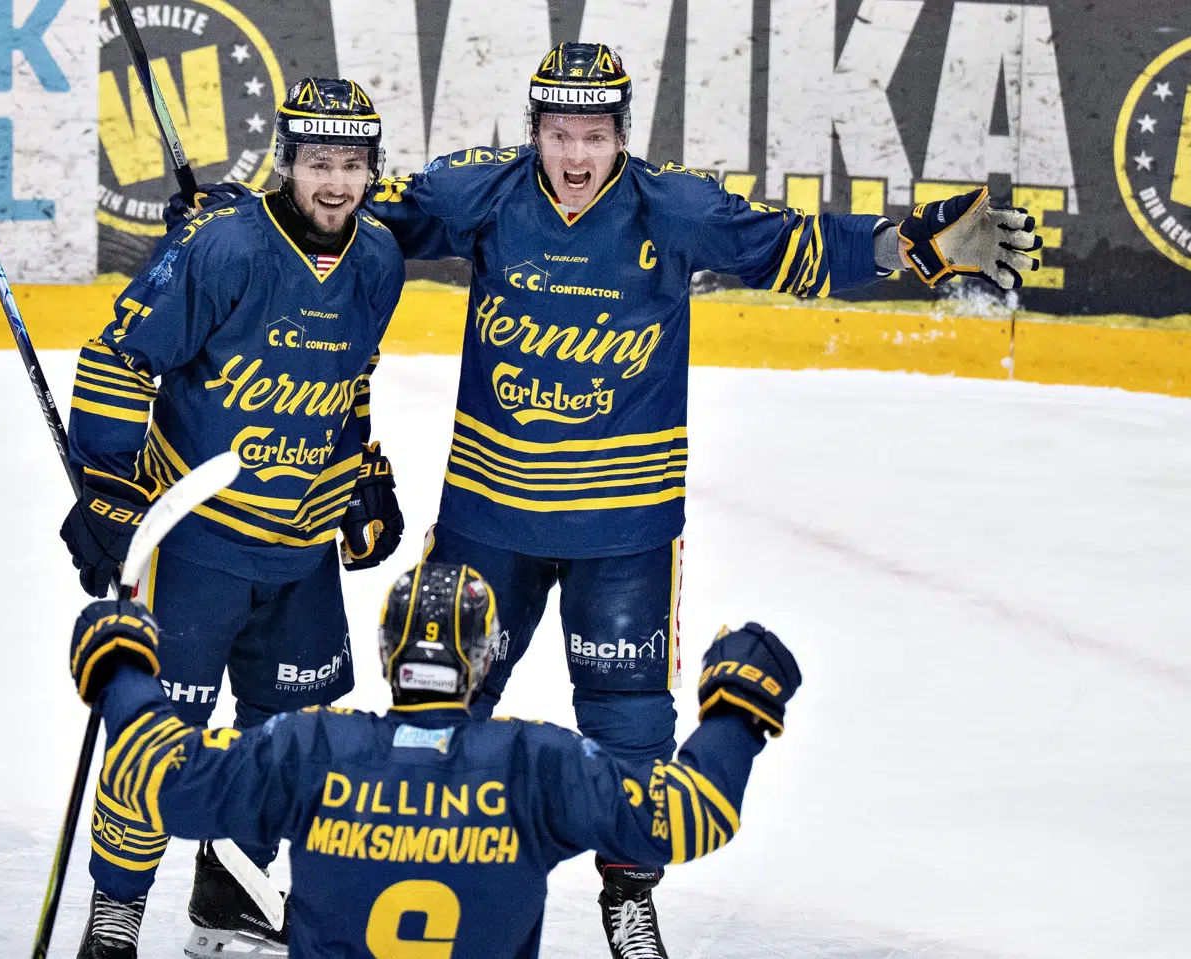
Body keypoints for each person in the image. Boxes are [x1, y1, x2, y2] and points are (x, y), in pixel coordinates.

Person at [362, 41, 1040, 957]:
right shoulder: (477, 193)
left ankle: (627, 884)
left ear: (621, 137)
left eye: (594, 136)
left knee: (631, 721)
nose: (574, 156)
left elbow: (794, 246)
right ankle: (435, 869)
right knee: (444, 699)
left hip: (626, 525)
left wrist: (909, 244)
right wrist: (237, 222)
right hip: (491, 512)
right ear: (533, 132)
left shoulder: (671, 207)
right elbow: (348, 218)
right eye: (558, 134)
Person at [58, 77, 407, 958]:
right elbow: (120, 355)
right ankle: (115, 918)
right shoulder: (224, 248)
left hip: (300, 553)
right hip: (195, 544)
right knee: (153, 741)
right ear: (287, 161)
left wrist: (362, 468)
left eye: (353, 164)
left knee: (287, 740)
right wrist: (105, 487)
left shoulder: (379, 260)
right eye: (319, 160)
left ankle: (232, 891)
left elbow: (349, 379)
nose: (336, 181)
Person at [65, 562, 802, 958]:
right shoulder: (531, 765)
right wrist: (736, 713)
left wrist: (121, 668)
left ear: (388, 654)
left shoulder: (316, 749)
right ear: (483, 658)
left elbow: (151, 773)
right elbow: (692, 814)